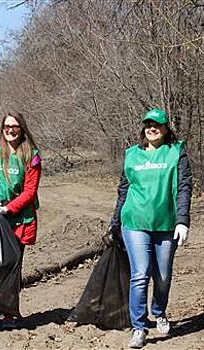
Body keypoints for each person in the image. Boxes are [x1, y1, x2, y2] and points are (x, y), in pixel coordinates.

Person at [109, 108, 192, 348]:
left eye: (157, 124)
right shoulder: (132, 155)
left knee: (163, 275)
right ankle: (139, 326)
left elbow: (184, 187)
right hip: (135, 223)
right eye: (148, 124)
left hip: (166, 224)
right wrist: (116, 222)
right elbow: (123, 191)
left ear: (166, 128)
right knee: (141, 274)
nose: (152, 128)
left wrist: (182, 220)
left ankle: (159, 312)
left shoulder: (176, 152)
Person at [0, 111, 42, 329]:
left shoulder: (32, 155)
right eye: (6, 127)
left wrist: (9, 208)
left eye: (14, 126)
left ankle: (9, 312)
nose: (10, 130)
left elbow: (30, 192)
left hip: (19, 219)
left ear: (22, 129)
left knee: (12, 266)